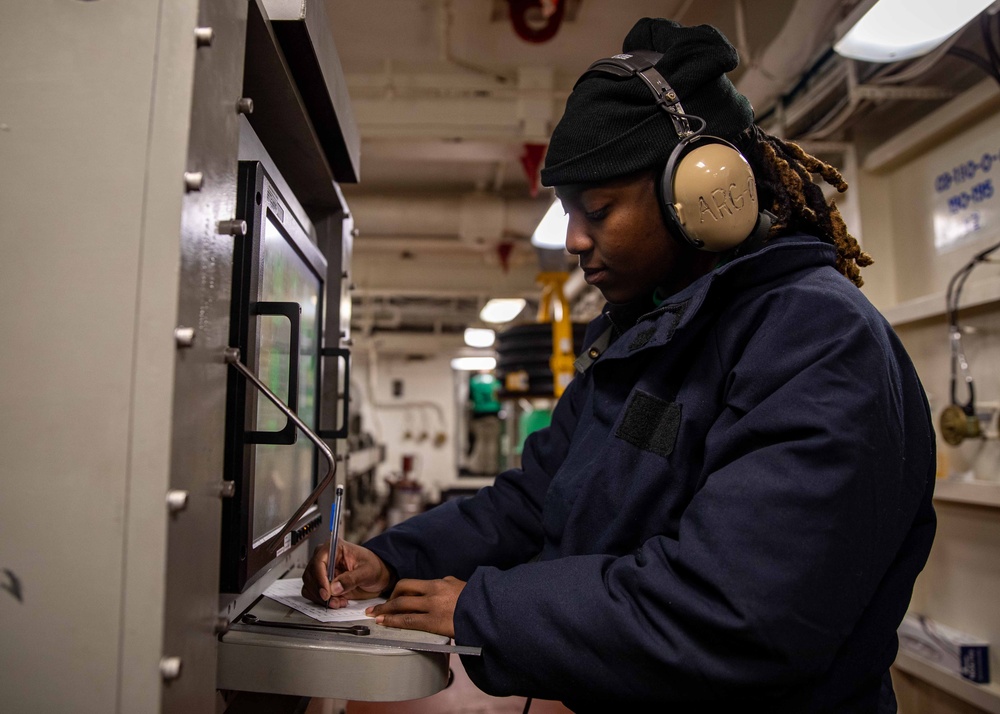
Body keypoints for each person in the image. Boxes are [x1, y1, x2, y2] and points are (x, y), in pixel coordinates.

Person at [303, 17, 936, 713]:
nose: (574, 238)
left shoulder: (814, 339)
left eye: (597, 209)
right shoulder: (649, 340)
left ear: (703, 192)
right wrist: (396, 558)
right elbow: (536, 501)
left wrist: (486, 611)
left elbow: (737, 612)